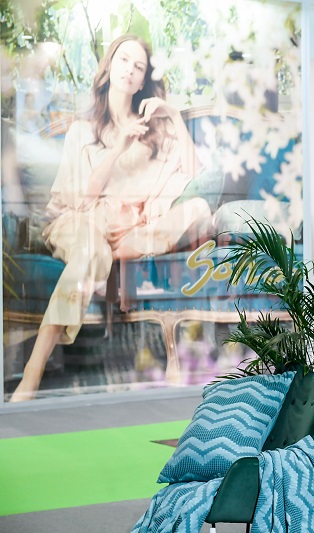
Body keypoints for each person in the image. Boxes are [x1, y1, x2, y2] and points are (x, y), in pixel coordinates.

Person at [10, 34, 211, 401]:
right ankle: (32, 372)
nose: (130, 70)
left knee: (198, 209)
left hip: (132, 230)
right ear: (109, 67)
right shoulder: (82, 131)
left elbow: (194, 171)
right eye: (124, 60)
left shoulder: (156, 130)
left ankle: (109, 259)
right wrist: (119, 146)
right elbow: (82, 198)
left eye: (139, 66)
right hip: (82, 222)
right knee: (91, 249)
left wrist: (173, 116)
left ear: (144, 78)